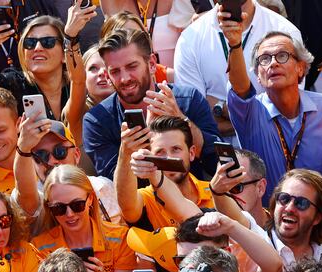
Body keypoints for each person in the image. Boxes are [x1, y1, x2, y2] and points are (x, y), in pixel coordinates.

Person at [226, 30, 322, 206]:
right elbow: (239, 88)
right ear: (258, 76)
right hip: (268, 225)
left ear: (301, 67)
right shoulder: (250, 113)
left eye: (282, 56)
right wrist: (235, 45)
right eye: (265, 59)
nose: (273, 63)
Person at [83, 28, 221, 179]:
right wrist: (131, 150)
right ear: (108, 76)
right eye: (115, 71)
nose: (124, 78)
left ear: (152, 64)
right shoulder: (97, 121)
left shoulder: (188, 100)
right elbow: (113, 188)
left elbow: (218, 162)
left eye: (132, 66)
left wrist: (181, 120)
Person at [173, 0, 301, 139]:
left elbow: (288, 112)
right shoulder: (190, 39)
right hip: (215, 155)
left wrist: (219, 107)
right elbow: (194, 119)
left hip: (272, 150)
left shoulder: (286, 32)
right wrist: (256, 115)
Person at [0, 10, 91, 144]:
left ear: (64, 55)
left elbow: (79, 80)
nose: (38, 47)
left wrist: (71, 38)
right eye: (30, 43)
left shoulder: (73, 86)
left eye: (48, 42)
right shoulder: (13, 83)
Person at [34, 164, 138, 272]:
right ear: (49, 207)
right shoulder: (40, 248)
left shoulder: (120, 238)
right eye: (59, 208)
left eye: (77, 205)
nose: (69, 214)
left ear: (90, 199)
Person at [117, 115, 216, 233]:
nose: (169, 158)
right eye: (160, 152)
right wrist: (126, 153)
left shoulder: (215, 192)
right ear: (149, 156)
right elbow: (127, 206)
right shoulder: (146, 199)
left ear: (191, 153)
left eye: (176, 149)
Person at [265, 169, 322, 266]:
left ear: (317, 217)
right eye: (284, 198)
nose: (289, 208)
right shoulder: (254, 245)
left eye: (301, 203)